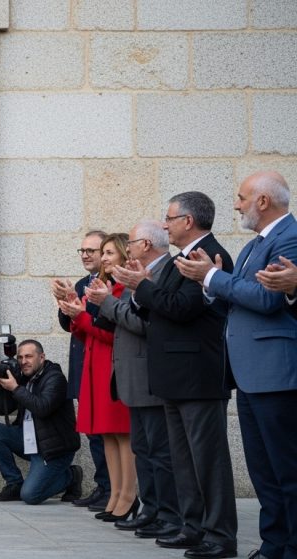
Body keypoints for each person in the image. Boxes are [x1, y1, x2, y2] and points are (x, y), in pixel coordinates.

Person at [175, 171, 297, 559]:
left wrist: (212, 275)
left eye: (242, 197)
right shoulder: (250, 247)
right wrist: (209, 285)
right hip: (248, 374)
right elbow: (236, 301)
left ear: (263, 202)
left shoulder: (289, 237)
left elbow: (267, 300)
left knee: (286, 470)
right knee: (263, 471)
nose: (236, 204)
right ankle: (273, 544)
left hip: (276, 373)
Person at [113, 191, 237, 559]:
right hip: (171, 375)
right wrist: (141, 291)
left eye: (169, 218)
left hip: (197, 374)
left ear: (188, 221)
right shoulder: (179, 260)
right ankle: (193, 526)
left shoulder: (210, 256)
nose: (165, 224)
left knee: (207, 461)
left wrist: (142, 287)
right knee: (183, 461)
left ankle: (220, 534)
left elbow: (183, 308)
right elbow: (157, 310)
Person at [88, 220, 181, 539]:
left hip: (147, 372)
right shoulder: (134, 280)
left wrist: (107, 303)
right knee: (144, 447)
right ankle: (150, 509)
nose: (129, 248)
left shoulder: (155, 275)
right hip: (131, 373)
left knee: (157, 450)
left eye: (132, 242)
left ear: (144, 245)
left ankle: (163, 513)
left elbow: (141, 324)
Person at [58, 233, 136, 522]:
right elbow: (84, 330)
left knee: (123, 434)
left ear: (125, 256)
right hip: (96, 362)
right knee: (108, 434)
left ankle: (128, 495)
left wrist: (84, 317)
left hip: (114, 365)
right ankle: (115, 493)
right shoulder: (104, 287)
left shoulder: (124, 290)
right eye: (101, 253)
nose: (103, 258)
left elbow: (114, 333)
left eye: (109, 253)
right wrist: (74, 310)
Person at [50, 230, 111, 510]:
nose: (85, 255)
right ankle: (102, 485)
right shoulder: (82, 282)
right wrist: (65, 304)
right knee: (92, 432)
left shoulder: (110, 283)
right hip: (82, 364)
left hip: (103, 365)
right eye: (82, 250)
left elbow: (101, 323)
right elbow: (69, 326)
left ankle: (112, 489)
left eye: (92, 250)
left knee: (106, 432)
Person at [0, 340, 82, 504]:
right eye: (20, 357)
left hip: (53, 450)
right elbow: (2, 409)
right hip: (30, 441)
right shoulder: (23, 379)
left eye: (29, 356)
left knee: (30, 496)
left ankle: (71, 476)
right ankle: (14, 483)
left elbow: (42, 407)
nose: (23, 362)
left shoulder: (55, 378)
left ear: (41, 357)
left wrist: (15, 388)